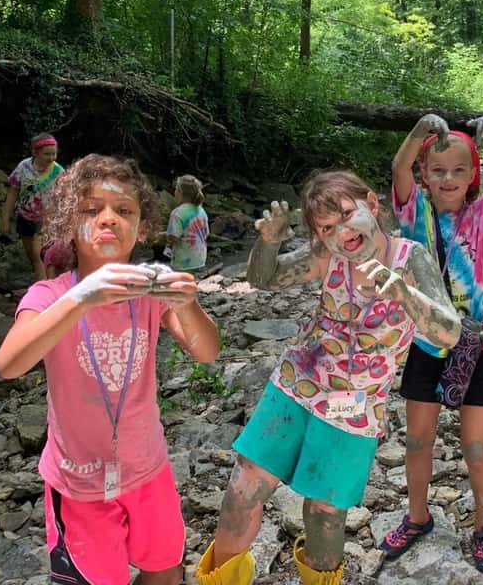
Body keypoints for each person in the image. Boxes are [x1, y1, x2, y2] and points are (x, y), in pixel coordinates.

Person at [195, 170, 461, 585]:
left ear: (372, 205)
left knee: (325, 514)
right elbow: (263, 280)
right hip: (295, 384)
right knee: (245, 486)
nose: (340, 232)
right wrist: (268, 241)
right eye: (326, 228)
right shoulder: (327, 256)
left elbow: (448, 331)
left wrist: (405, 294)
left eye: (346, 215)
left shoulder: (411, 258)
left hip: (356, 408)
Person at [0, 154, 220, 585]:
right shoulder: (51, 294)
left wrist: (187, 303)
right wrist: (83, 297)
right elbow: (8, 364)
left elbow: (207, 352)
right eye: (91, 209)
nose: (108, 219)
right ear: (67, 222)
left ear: (142, 227)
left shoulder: (149, 293)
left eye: (124, 211)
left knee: (167, 568)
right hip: (78, 482)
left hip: (147, 467)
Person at [379, 113, 483, 576]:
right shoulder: (413, 213)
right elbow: (398, 170)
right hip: (424, 341)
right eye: (437, 170)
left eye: (460, 170)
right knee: (418, 438)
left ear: (473, 175)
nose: (448, 179)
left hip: (477, 344)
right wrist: (419, 132)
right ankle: (417, 516)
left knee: (476, 445)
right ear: (425, 175)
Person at [2, 133, 64, 280]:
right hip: (25, 216)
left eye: (54, 154)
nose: (51, 158)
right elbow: (12, 193)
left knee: (38, 254)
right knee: (33, 257)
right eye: (47, 154)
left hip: (46, 220)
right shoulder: (23, 167)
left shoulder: (58, 172)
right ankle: (43, 284)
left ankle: (45, 292)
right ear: (35, 152)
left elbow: (65, 198)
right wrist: (5, 219)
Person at [166, 174, 210, 272]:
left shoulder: (177, 213)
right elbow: (206, 233)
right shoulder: (201, 210)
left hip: (184, 261)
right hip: (200, 259)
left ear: (180, 192)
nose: (174, 192)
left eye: (176, 189)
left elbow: (173, 238)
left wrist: (158, 236)